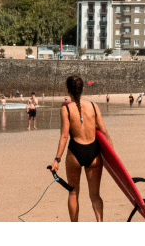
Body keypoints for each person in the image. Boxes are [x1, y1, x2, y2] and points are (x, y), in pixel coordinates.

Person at [52, 75, 113, 222]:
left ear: (68, 91)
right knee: (95, 195)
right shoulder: (93, 106)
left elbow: (64, 137)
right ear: (83, 88)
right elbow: (104, 132)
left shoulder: (66, 109)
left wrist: (57, 160)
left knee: (73, 193)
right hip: (94, 153)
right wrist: (111, 156)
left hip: (75, 153)